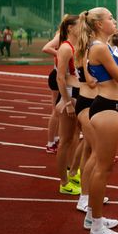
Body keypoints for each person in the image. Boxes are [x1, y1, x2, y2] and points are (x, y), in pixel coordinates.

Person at [75, 7, 118, 234]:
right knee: (103, 168)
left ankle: (93, 219)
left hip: (105, 107)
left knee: (101, 166)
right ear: (100, 24)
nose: (115, 20)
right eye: (111, 18)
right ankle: (97, 229)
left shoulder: (101, 46)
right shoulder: (100, 48)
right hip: (105, 109)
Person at [54, 14, 82, 195]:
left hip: (76, 94)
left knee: (75, 137)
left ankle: (72, 171)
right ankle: (64, 183)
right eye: (79, 25)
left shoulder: (74, 46)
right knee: (64, 140)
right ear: (70, 28)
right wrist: (67, 103)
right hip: (68, 97)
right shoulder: (65, 48)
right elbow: (60, 77)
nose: (82, 28)